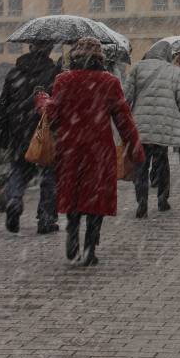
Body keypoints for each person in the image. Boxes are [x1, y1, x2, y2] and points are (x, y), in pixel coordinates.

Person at [38, 38, 143, 266]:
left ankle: (72, 234)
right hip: (99, 150)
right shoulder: (109, 82)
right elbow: (124, 118)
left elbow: (53, 116)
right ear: (100, 58)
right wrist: (135, 147)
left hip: (70, 148)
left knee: (73, 194)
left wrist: (44, 102)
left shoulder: (63, 80)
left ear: (74, 56)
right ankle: (90, 247)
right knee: (96, 197)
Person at [0, 40, 60, 235]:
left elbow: (3, 106)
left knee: (18, 169)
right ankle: (46, 217)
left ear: (30, 47)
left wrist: (2, 133)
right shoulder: (54, 74)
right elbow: (58, 105)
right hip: (44, 130)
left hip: (19, 130)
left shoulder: (14, 73)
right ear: (49, 49)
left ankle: (14, 200)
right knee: (50, 173)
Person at [124, 43, 180, 218]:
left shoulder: (137, 68)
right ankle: (162, 199)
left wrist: (125, 120)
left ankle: (142, 202)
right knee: (162, 162)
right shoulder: (176, 72)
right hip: (164, 124)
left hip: (141, 124)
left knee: (141, 165)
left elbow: (126, 97)